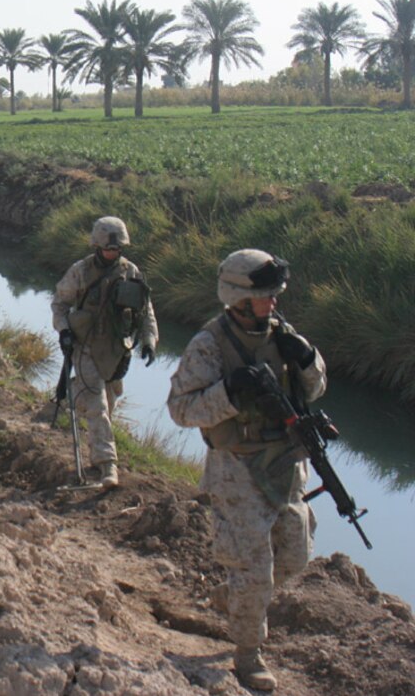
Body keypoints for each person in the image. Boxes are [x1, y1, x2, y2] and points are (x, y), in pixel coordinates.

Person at [167, 249, 326, 692]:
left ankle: (236, 599)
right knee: (255, 571)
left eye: (275, 296)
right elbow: (181, 409)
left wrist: (308, 359)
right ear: (236, 297)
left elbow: (315, 388)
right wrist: (230, 392)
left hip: (287, 466)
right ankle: (246, 654)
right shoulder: (210, 345)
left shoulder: (283, 334)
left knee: (294, 557)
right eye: (264, 297)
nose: (272, 304)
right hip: (237, 469)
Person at [51, 216, 157, 488]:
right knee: (98, 407)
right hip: (85, 347)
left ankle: (73, 397)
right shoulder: (81, 271)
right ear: (97, 245)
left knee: (109, 402)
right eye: (108, 248)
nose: (112, 253)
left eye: (117, 249)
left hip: (115, 351)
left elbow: (146, 312)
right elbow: (60, 303)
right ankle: (107, 466)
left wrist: (148, 341)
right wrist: (64, 331)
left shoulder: (131, 272)